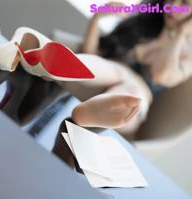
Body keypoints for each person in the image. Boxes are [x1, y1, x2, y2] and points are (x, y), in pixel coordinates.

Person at [58, 0, 192, 137]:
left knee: (130, 88)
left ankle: (65, 68)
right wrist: (97, 17)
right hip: (100, 78)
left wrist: (179, 35)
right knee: (119, 72)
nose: (173, 6)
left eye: (184, 4)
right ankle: (88, 106)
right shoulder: (142, 22)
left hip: (132, 109)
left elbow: (161, 76)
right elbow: (93, 54)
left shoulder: (187, 55)